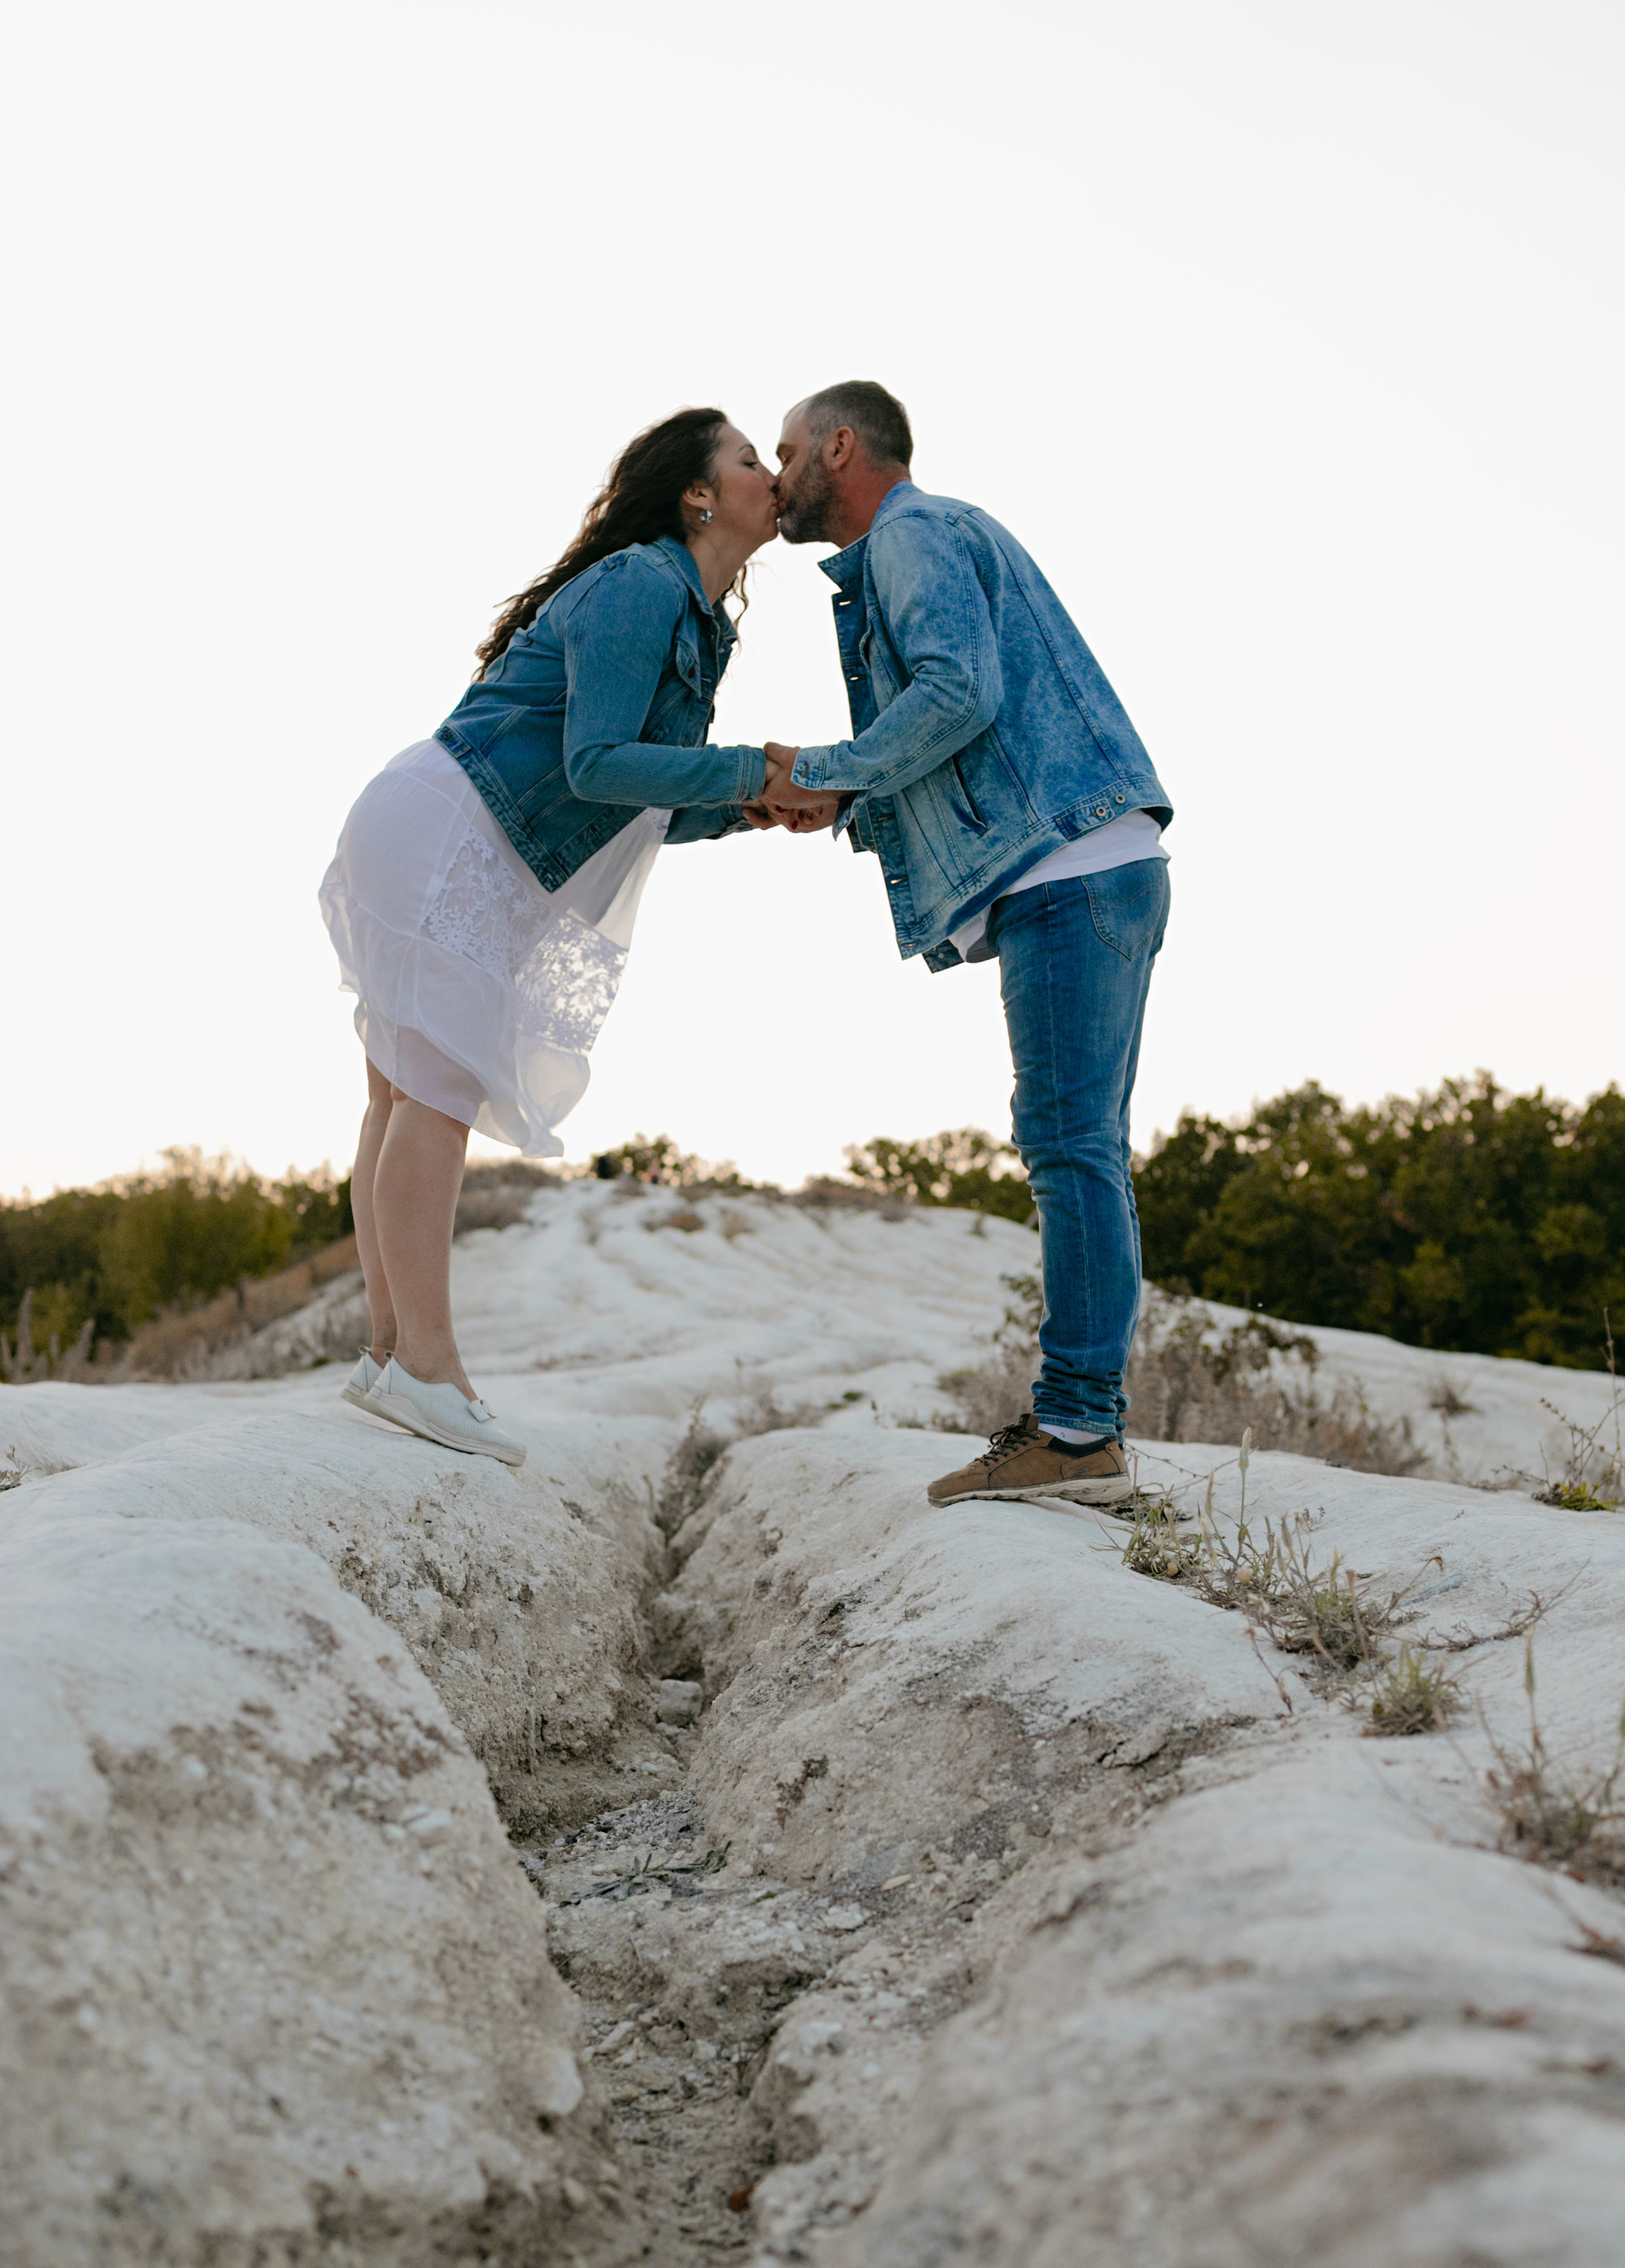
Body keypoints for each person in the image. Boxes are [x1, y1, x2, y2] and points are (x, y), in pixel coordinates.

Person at [319, 407, 826, 1467]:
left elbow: (635, 799)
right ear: (698, 494)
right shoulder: (644, 583)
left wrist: (751, 807)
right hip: (454, 823)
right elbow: (599, 761)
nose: (768, 476)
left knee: (402, 1089)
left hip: (464, 829)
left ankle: (385, 1356)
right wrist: (748, 769)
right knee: (437, 1089)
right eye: (747, 460)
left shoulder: (696, 618)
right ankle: (427, 1367)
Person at [763, 381, 1171, 1508]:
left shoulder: (912, 536)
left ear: (840, 448)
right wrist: (837, 799)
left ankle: (1079, 1436)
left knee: (1067, 1142)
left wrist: (833, 770)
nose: (778, 471)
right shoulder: (932, 538)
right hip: (1096, 858)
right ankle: (1082, 1425)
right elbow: (952, 727)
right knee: (1082, 1142)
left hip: (1068, 869)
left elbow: (958, 693)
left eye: (788, 450)